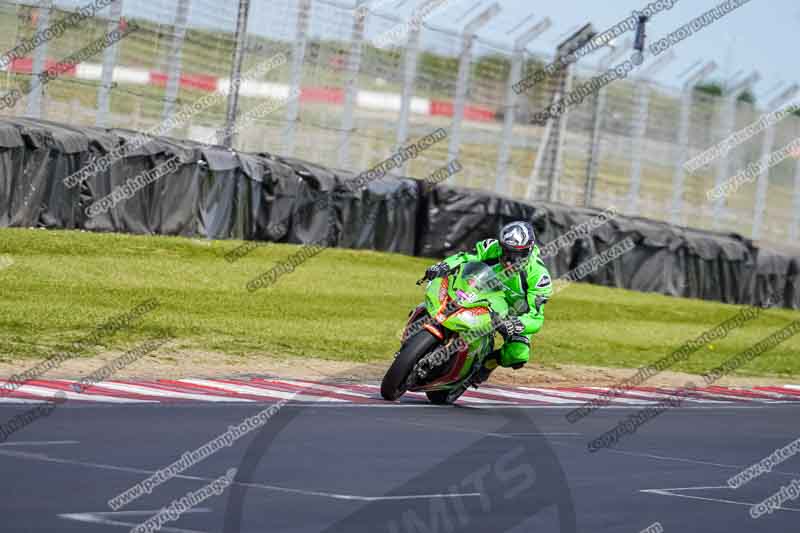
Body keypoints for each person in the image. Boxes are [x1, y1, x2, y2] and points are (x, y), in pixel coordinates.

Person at [421, 221, 552, 384]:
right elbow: (466, 257)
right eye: (506, 251)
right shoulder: (492, 246)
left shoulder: (539, 277)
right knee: (447, 291)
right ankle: (425, 318)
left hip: (513, 314)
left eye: (516, 255)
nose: (509, 260)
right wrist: (443, 266)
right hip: (484, 293)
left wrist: (515, 324)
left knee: (517, 355)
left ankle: (488, 364)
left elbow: (536, 317)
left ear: (528, 250)